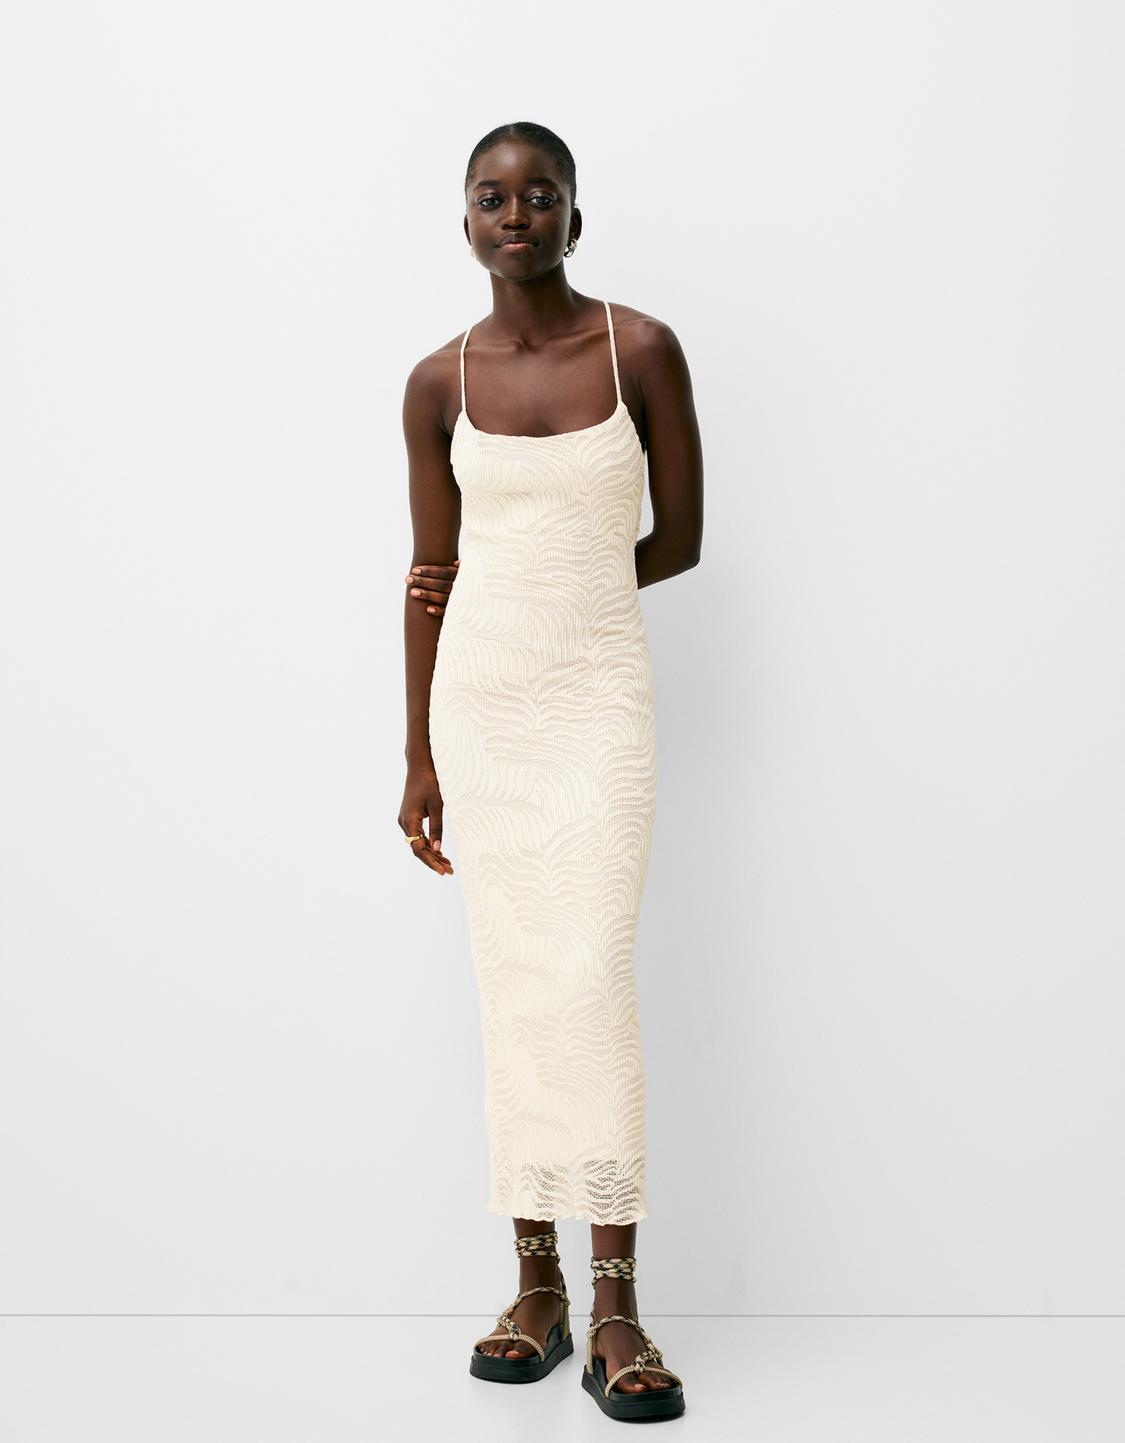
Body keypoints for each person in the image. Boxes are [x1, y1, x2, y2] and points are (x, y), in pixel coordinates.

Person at [398, 121, 703, 1422]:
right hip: (482, 712)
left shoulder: (641, 350)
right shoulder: (437, 381)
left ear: (577, 217)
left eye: (540, 196)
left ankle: (618, 1302)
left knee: (587, 979)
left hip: (595, 705)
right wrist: (418, 751)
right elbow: (432, 576)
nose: (515, 215)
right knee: (516, 987)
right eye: (491, 197)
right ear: (464, 221)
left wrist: (566, 599)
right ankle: (538, 1291)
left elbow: (679, 540)